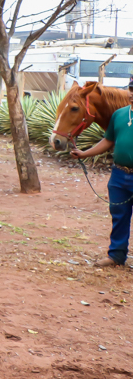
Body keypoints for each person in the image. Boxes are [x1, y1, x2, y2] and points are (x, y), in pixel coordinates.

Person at [71, 75, 133, 268]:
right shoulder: (120, 115)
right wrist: (84, 154)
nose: (132, 94)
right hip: (119, 175)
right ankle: (116, 256)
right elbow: (108, 141)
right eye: (132, 90)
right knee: (119, 214)